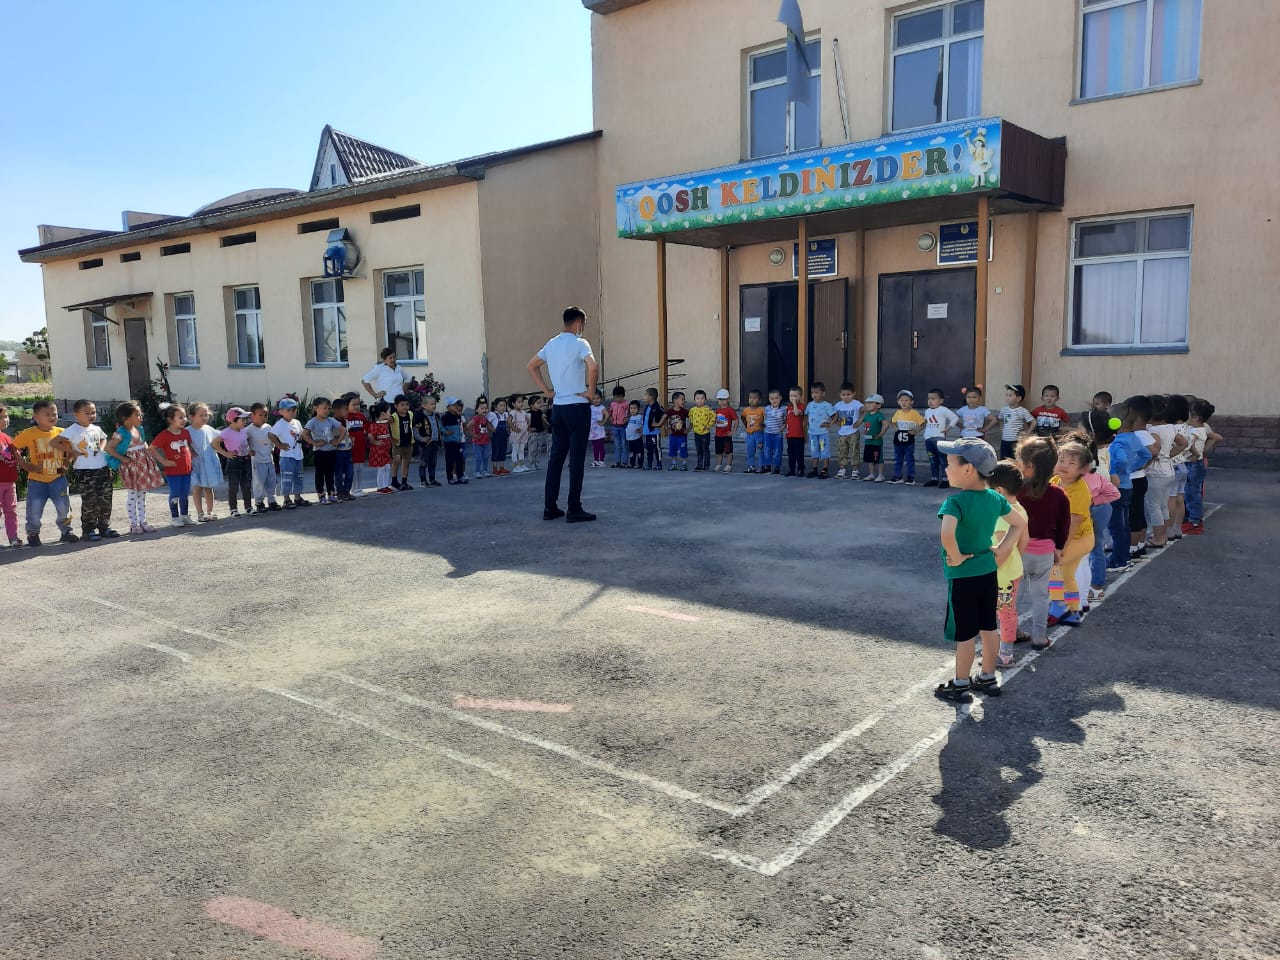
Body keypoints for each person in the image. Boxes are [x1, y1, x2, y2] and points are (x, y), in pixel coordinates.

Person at [933, 438, 1025, 703]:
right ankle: (988, 676)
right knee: (988, 626)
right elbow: (1018, 524)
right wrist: (1002, 549)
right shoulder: (995, 498)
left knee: (964, 633)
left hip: (963, 576)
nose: (946, 468)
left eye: (950, 464)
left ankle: (960, 684)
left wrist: (956, 556)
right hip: (987, 572)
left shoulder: (955, 502)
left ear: (968, 469)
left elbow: (946, 534)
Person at [527, 305, 599, 522]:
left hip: (558, 407)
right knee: (576, 460)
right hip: (577, 407)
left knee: (556, 459)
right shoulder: (580, 343)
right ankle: (574, 508)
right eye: (583, 324)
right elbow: (593, 367)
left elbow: (531, 366)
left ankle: (550, 507)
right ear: (578, 323)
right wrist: (590, 392)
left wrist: (546, 391)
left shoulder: (551, 343)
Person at [1016, 436, 1071, 649]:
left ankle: (1010, 633)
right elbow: (1063, 525)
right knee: (1040, 596)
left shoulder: (1016, 491)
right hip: (1044, 552)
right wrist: (1059, 548)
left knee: (1013, 596)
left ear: (1028, 466)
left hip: (1017, 551)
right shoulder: (1058, 494)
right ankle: (1039, 637)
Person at [1050, 436, 1098, 627]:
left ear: (1083, 470)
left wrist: (1060, 547)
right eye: (1061, 460)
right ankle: (1073, 611)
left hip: (1079, 538)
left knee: (1053, 566)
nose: (1064, 465)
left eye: (1071, 463)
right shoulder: (1055, 481)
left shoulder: (1079, 491)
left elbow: (1074, 523)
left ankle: (1058, 606)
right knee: (1068, 575)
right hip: (1066, 536)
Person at [54, 399, 117, 541]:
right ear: (76, 415)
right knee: (90, 501)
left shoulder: (96, 428)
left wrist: (101, 448)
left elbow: (103, 439)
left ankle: (104, 527)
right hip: (85, 471)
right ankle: (88, 530)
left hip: (102, 468)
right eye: (87, 413)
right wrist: (72, 451)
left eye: (93, 412)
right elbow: (54, 442)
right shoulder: (73, 429)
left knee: (106, 499)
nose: (91, 415)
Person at [988, 460, 1029, 667]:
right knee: (1007, 609)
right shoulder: (1019, 510)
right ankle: (1007, 641)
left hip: (1000, 574)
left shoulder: (1001, 517)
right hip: (1012, 571)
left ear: (999, 491)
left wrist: (988, 570)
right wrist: (1016, 559)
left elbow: (1001, 551)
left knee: (1004, 612)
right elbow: (1024, 540)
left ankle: (1005, 654)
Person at [103, 401, 164, 535]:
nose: (140, 417)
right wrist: (123, 458)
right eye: (137, 414)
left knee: (142, 494)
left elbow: (144, 444)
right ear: (126, 418)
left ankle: (143, 521)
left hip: (141, 465)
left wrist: (149, 458)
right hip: (130, 467)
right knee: (132, 495)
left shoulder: (139, 430)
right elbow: (108, 448)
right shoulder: (121, 433)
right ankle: (133, 524)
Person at [1106, 401, 1151, 572]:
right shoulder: (1133, 438)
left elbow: (1122, 459)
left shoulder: (1117, 443)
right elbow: (1146, 454)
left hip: (1118, 488)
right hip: (1128, 485)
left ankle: (1118, 561)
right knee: (1124, 524)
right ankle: (1124, 557)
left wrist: (1116, 472)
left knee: (1116, 527)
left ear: (1115, 423)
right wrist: (1133, 468)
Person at [1077, 421, 1119, 604]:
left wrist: (1092, 501)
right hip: (1101, 507)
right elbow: (1114, 489)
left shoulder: (1087, 475)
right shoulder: (1103, 455)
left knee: (1090, 548)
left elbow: (1113, 491)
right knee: (1096, 546)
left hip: (1092, 509)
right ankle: (1096, 586)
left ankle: (1094, 586)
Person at [1142, 395, 1185, 551]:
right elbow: (1183, 443)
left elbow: (1153, 450)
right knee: (1163, 505)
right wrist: (1168, 455)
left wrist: (1147, 463)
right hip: (1168, 470)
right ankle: (1163, 535)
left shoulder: (1151, 430)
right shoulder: (1170, 428)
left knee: (1153, 506)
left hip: (1156, 471)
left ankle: (1158, 537)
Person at [151, 403, 198, 527]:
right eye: (180, 417)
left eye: (184, 417)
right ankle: (175, 517)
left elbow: (188, 446)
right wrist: (163, 461)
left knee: (185, 494)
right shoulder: (164, 435)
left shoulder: (185, 433)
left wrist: (192, 454)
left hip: (186, 470)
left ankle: (184, 515)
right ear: (170, 420)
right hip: (173, 472)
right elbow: (152, 448)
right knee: (175, 493)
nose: (184, 420)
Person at [1183, 399, 1217, 534]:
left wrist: (1196, 454)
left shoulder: (1196, 431)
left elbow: (1188, 444)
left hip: (1194, 464)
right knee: (1188, 491)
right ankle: (1190, 517)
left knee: (1192, 493)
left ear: (1196, 417)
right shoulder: (1199, 428)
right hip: (1194, 463)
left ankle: (1195, 521)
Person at [212, 406, 253, 518]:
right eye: (242, 419)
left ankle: (248, 507)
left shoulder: (244, 431)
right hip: (234, 461)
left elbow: (246, 443)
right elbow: (214, 443)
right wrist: (225, 454)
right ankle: (233, 509)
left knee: (246, 485)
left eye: (245, 419)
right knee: (233, 486)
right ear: (233, 420)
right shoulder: (226, 432)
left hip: (246, 460)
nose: (245, 421)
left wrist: (250, 450)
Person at [303, 396, 345, 504]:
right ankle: (321, 495)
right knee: (320, 474)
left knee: (330, 474)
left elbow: (343, 430)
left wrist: (337, 441)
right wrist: (315, 443)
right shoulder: (313, 422)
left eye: (328, 408)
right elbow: (304, 434)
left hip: (331, 451)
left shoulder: (330, 420)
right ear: (316, 408)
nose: (327, 411)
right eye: (324, 408)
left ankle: (331, 494)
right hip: (320, 452)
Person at [186, 402, 223, 522]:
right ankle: (200, 513)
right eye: (201, 415)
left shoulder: (209, 429)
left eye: (206, 415)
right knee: (197, 488)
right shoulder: (187, 431)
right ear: (191, 417)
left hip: (208, 463)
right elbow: (183, 443)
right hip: (196, 463)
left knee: (208, 488)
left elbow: (220, 437)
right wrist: (190, 450)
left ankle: (210, 511)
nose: (204, 417)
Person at [269, 397, 309, 509]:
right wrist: (279, 445)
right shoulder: (280, 424)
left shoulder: (297, 422)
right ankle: (286, 499)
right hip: (287, 456)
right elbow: (271, 434)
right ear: (281, 411)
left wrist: (301, 438)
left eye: (294, 410)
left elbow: (301, 434)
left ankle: (297, 498)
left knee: (298, 477)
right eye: (289, 410)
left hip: (298, 455)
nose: (292, 412)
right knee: (287, 478)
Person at [245, 403, 282, 513]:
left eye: (265, 415)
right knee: (259, 482)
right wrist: (248, 450)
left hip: (269, 460)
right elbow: (244, 442)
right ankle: (259, 502)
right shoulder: (248, 430)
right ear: (252, 415)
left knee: (271, 481)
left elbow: (272, 440)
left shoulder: (268, 427)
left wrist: (273, 448)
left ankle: (272, 501)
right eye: (260, 415)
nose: (263, 418)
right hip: (257, 460)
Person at [922, 388, 959, 488]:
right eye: (929, 398)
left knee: (943, 460)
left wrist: (948, 427)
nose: (930, 401)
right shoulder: (927, 411)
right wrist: (917, 430)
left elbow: (955, 418)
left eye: (933, 399)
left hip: (939, 439)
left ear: (941, 400)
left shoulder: (943, 410)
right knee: (932, 460)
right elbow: (925, 422)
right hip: (928, 439)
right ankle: (934, 479)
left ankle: (945, 479)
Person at [888, 389, 925, 484]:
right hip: (898, 440)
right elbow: (892, 422)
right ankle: (898, 476)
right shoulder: (898, 412)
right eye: (901, 400)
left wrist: (916, 431)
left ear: (911, 402)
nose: (903, 402)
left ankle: (911, 477)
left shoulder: (914, 413)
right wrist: (895, 428)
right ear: (898, 402)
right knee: (898, 459)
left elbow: (923, 423)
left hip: (909, 441)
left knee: (909, 459)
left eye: (906, 400)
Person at [831, 383, 863, 480]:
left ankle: (855, 470)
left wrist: (860, 421)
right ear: (840, 395)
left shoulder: (856, 403)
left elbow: (866, 410)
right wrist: (836, 421)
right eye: (843, 395)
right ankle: (842, 469)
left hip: (853, 431)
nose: (846, 397)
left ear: (853, 394)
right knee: (842, 451)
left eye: (848, 394)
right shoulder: (838, 405)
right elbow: (832, 414)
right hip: (842, 433)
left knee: (854, 451)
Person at [804, 382, 834, 479]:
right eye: (812, 392)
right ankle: (814, 468)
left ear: (823, 393)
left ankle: (825, 469)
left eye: (816, 392)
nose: (814, 395)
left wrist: (830, 424)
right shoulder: (810, 405)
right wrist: (806, 427)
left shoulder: (827, 405)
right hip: (812, 433)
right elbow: (806, 416)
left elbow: (834, 415)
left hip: (822, 433)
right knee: (814, 450)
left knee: (824, 450)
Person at [0, 405, 20, 547]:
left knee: (11, 511)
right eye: (0, 417)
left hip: (10, 482)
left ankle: (13, 537)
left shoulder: (7, 438)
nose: (4, 420)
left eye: (6, 416)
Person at [343, 394, 370, 498]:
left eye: (358, 404)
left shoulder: (361, 416)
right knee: (353, 468)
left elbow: (367, 426)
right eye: (353, 405)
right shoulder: (346, 417)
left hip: (361, 446)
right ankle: (353, 489)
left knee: (360, 468)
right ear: (347, 405)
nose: (356, 407)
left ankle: (359, 488)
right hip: (351, 447)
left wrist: (366, 432)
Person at [997, 384, 1034, 459]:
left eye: (1010, 395)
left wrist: (1027, 434)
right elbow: (1000, 419)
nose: (1007, 397)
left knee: (1015, 460)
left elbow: (1034, 422)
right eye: (1006, 395)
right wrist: (1002, 429)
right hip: (1004, 440)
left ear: (1018, 398)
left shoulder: (1023, 411)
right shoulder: (1004, 409)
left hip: (1016, 441)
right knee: (1003, 460)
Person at [389, 395, 418, 489]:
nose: (405, 407)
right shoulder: (394, 417)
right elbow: (386, 424)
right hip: (397, 443)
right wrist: (391, 438)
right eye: (402, 405)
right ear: (396, 406)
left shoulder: (410, 414)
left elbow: (412, 425)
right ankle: (394, 481)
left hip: (409, 442)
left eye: (407, 404)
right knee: (396, 460)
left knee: (406, 462)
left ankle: (404, 482)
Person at [859, 393, 888, 482]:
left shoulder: (879, 415)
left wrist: (881, 433)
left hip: (876, 441)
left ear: (878, 405)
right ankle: (871, 474)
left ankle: (880, 475)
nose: (868, 405)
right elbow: (860, 421)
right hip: (868, 440)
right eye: (867, 403)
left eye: (871, 403)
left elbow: (886, 424)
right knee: (870, 459)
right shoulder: (867, 415)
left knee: (878, 459)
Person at [416, 394, 444, 486]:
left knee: (433, 462)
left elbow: (439, 427)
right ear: (424, 405)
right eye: (431, 404)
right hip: (426, 444)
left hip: (434, 442)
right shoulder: (420, 416)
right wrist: (421, 438)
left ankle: (432, 479)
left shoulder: (436, 416)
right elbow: (415, 430)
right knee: (423, 462)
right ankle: (423, 481)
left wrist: (441, 435)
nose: (434, 406)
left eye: (434, 404)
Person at [367, 401, 395, 493]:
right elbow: (370, 435)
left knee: (387, 467)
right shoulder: (375, 425)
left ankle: (385, 486)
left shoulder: (385, 424)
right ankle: (380, 487)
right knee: (381, 468)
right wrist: (375, 442)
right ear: (383, 414)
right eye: (389, 412)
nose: (390, 414)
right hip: (379, 451)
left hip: (386, 450)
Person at [440, 396, 468, 485]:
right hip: (449, 442)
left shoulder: (457, 416)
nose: (456, 407)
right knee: (450, 460)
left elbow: (462, 426)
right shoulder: (445, 416)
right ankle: (450, 477)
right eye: (453, 405)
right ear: (448, 406)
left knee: (459, 459)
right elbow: (440, 425)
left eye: (457, 405)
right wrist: (446, 432)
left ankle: (460, 476)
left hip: (458, 441)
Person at [688, 389, 716, 471]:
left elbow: (714, 417)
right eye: (698, 398)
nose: (700, 400)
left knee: (705, 449)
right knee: (699, 450)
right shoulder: (692, 410)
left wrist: (708, 425)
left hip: (705, 433)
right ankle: (699, 465)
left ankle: (706, 465)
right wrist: (690, 427)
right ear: (694, 400)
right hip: (696, 433)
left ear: (705, 399)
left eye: (702, 398)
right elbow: (690, 418)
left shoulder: (708, 409)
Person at [762, 389, 786, 476]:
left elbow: (786, 420)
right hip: (768, 433)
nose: (774, 400)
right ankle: (768, 466)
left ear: (780, 398)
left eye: (776, 398)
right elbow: (764, 419)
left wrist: (784, 426)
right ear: (769, 399)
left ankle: (777, 467)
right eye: (772, 399)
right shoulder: (767, 408)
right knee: (767, 450)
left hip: (777, 434)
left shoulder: (783, 409)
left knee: (777, 451)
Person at [740, 390, 765, 474]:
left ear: (760, 400)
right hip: (749, 434)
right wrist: (746, 425)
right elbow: (742, 417)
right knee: (750, 451)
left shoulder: (761, 410)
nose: (751, 400)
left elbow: (766, 419)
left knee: (760, 450)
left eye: (754, 398)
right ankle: (751, 466)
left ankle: (762, 466)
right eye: (750, 398)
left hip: (759, 433)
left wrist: (763, 426)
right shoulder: (746, 410)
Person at [712, 388, 736, 472]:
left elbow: (736, 419)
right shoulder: (717, 410)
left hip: (726, 435)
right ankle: (719, 464)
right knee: (719, 451)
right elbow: (714, 420)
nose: (721, 401)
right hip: (718, 435)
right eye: (720, 399)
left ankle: (728, 465)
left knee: (728, 451)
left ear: (728, 399)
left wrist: (733, 431)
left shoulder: (730, 410)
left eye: (724, 399)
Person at [784, 387, 806, 477]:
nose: (792, 398)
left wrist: (794, 404)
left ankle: (801, 469)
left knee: (799, 454)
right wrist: (783, 427)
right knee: (791, 454)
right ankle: (791, 469)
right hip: (790, 435)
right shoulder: (788, 408)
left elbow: (797, 413)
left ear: (800, 397)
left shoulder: (801, 406)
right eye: (791, 396)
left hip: (799, 435)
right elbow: (787, 419)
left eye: (795, 396)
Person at [665, 391, 690, 471]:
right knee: (672, 448)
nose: (684, 401)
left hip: (682, 435)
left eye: (684, 399)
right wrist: (667, 428)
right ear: (675, 400)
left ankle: (684, 464)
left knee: (683, 449)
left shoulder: (685, 411)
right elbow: (664, 420)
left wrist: (688, 429)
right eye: (682, 399)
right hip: (673, 435)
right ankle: (674, 463)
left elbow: (692, 419)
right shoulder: (669, 411)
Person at [470, 397, 494, 479]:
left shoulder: (486, 418)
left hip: (486, 441)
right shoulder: (476, 418)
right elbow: (469, 426)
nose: (484, 410)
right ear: (477, 410)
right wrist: (473, 434)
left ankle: (485, 470)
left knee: (486, 457)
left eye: (486, 408)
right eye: (482, 408)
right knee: (479, 457)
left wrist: (494, 430)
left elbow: (489, 427)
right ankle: (477, 471)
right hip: (477, 442)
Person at [643, 388, 666, 470]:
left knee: (657, 448)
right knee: (649, 449)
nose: (644, 397)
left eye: (645, 395)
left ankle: (659, 464)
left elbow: (665, 414)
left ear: (651, 397)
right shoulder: (647, 406)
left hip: (654, 432)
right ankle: (649, 464)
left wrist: (659, 424)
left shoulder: (657, 406)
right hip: (647, 432)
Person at [609, 386, 630, 468]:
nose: (618, 399)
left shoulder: (626, 404)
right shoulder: (612, 404)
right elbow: (610, 412)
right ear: (614, 397)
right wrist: (610, 417)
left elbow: (630, 413)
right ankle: (617, 461)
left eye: (620, 397)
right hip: (615, 426)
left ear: (623, 396)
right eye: (616, 397)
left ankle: (624, 461)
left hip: (623, 426)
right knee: (617, 444)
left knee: (624, 444)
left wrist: (627, 419)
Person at [491, 396, 512, 476]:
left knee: (503, 451)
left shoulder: (506, 414)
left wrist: (509, 431)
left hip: (504, 436)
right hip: (496, 436)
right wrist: (492, 429)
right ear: (495, 407)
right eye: (501, 406)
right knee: (496, 452)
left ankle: (502, 468)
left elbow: (508, 424)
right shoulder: (493, 414)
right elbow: (487, 422)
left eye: (504, 405)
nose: (503, 407)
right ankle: (495, 469)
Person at [528, 395, 549, 471]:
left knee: (538, 448)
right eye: (538, 403)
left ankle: (537, 463)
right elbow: (527, 423)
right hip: (533, 433)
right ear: (531, 405)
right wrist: (529, 428)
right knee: (532, 448)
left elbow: (544, 419)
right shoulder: (529, 413)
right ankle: (531, 464)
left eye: (541, 402)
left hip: (540, 432)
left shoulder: (540, 412)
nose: (540, 404)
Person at [586, 392, 607, 468]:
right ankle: (596, 460)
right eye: (594, 399)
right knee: (595, 446)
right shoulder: (590, 407)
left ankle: (601, 461)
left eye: (598, 398)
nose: (596, 400)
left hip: (599, 430)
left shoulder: (602, 407)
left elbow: (607, 415)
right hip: (592, 431)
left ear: (601, 399)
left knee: (600, 446)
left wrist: (603, 422)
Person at [625, 400, 644, 467]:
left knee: (639, 451)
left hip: (637, 437)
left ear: (638, 409)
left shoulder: (640, 417)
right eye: (631, 408)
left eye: (634, 408)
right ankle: (631, 463)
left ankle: (639, 463)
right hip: (630, 438)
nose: (633, 410)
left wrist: (641, 430)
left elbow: (643, 425)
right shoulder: (630, 417)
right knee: (632, 451)